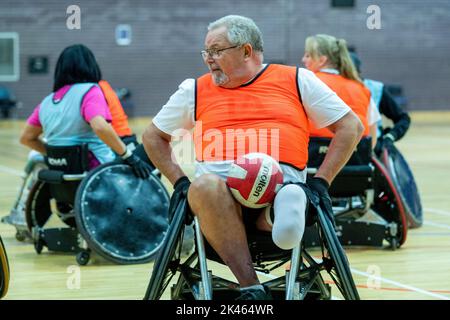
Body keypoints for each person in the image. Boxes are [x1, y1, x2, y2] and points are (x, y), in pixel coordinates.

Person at [142, 15, 363, 300]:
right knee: (204, 186)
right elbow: (152, 136)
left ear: (246, 51)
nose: (208, 59)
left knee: (285, 190)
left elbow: (351, 126)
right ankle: (251, 286)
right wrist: (180, 182)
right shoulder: (193, 89)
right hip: (218, 202)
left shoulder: (295, 79)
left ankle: (281, 210)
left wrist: (321, 182)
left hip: (278, 186)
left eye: (216, 50)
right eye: (206, 52)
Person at [19, 44, 150, 178]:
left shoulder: (47, 101)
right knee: (151, 148)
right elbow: (100, 126)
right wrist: (128, 156)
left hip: (61, 169)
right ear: (91, 65)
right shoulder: (92, 90)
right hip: (97, 165)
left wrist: (56, 156)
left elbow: (26, 138)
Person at [302, 34, 381, 149]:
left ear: (322, 60)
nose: (303, 59)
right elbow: (372, 132)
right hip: (358, 159)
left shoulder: (307, 81)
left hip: (315, 155)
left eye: (308, 55)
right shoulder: (361, 87)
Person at [349, 52, 411, 155]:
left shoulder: (375, 88)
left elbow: (403, 118)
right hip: (337, 145)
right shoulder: (331, 87)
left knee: (400, 169)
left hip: (371, 147)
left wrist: (391, 136)